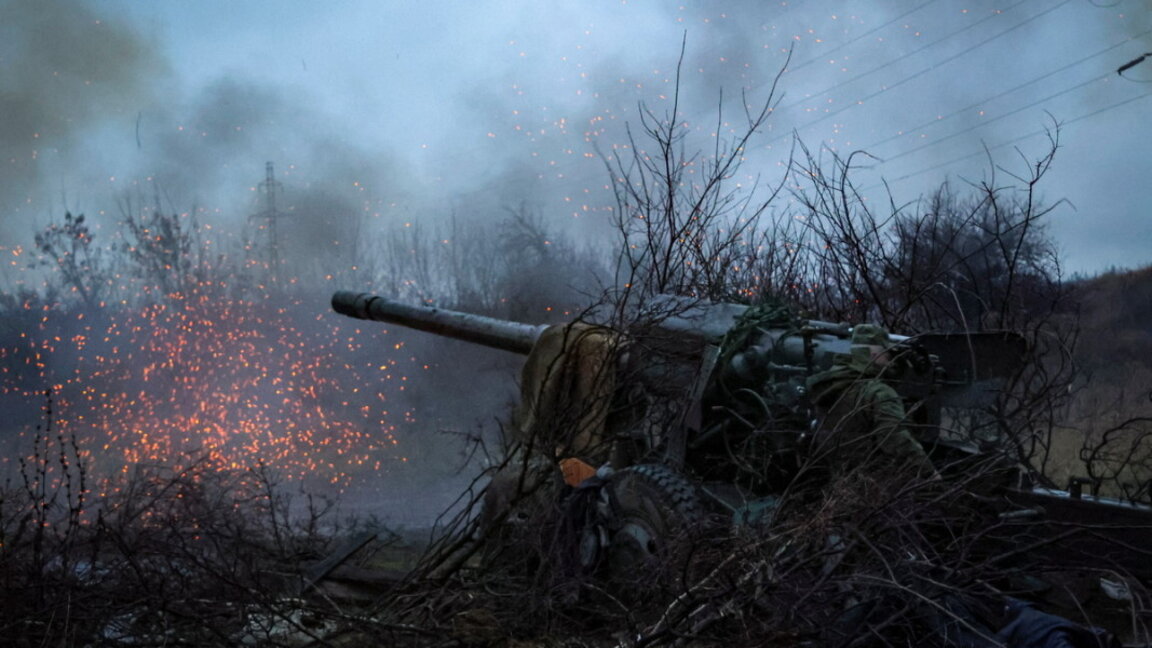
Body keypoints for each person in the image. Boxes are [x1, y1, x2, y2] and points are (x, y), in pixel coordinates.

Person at [805, 323, 937, 480]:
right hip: (873, 482)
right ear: (874, 355)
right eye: (886, 353)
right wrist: (929, 473)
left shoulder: (832, 383)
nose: (890, 359)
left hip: (839, 479)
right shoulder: (878, 392)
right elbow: (894, 438)